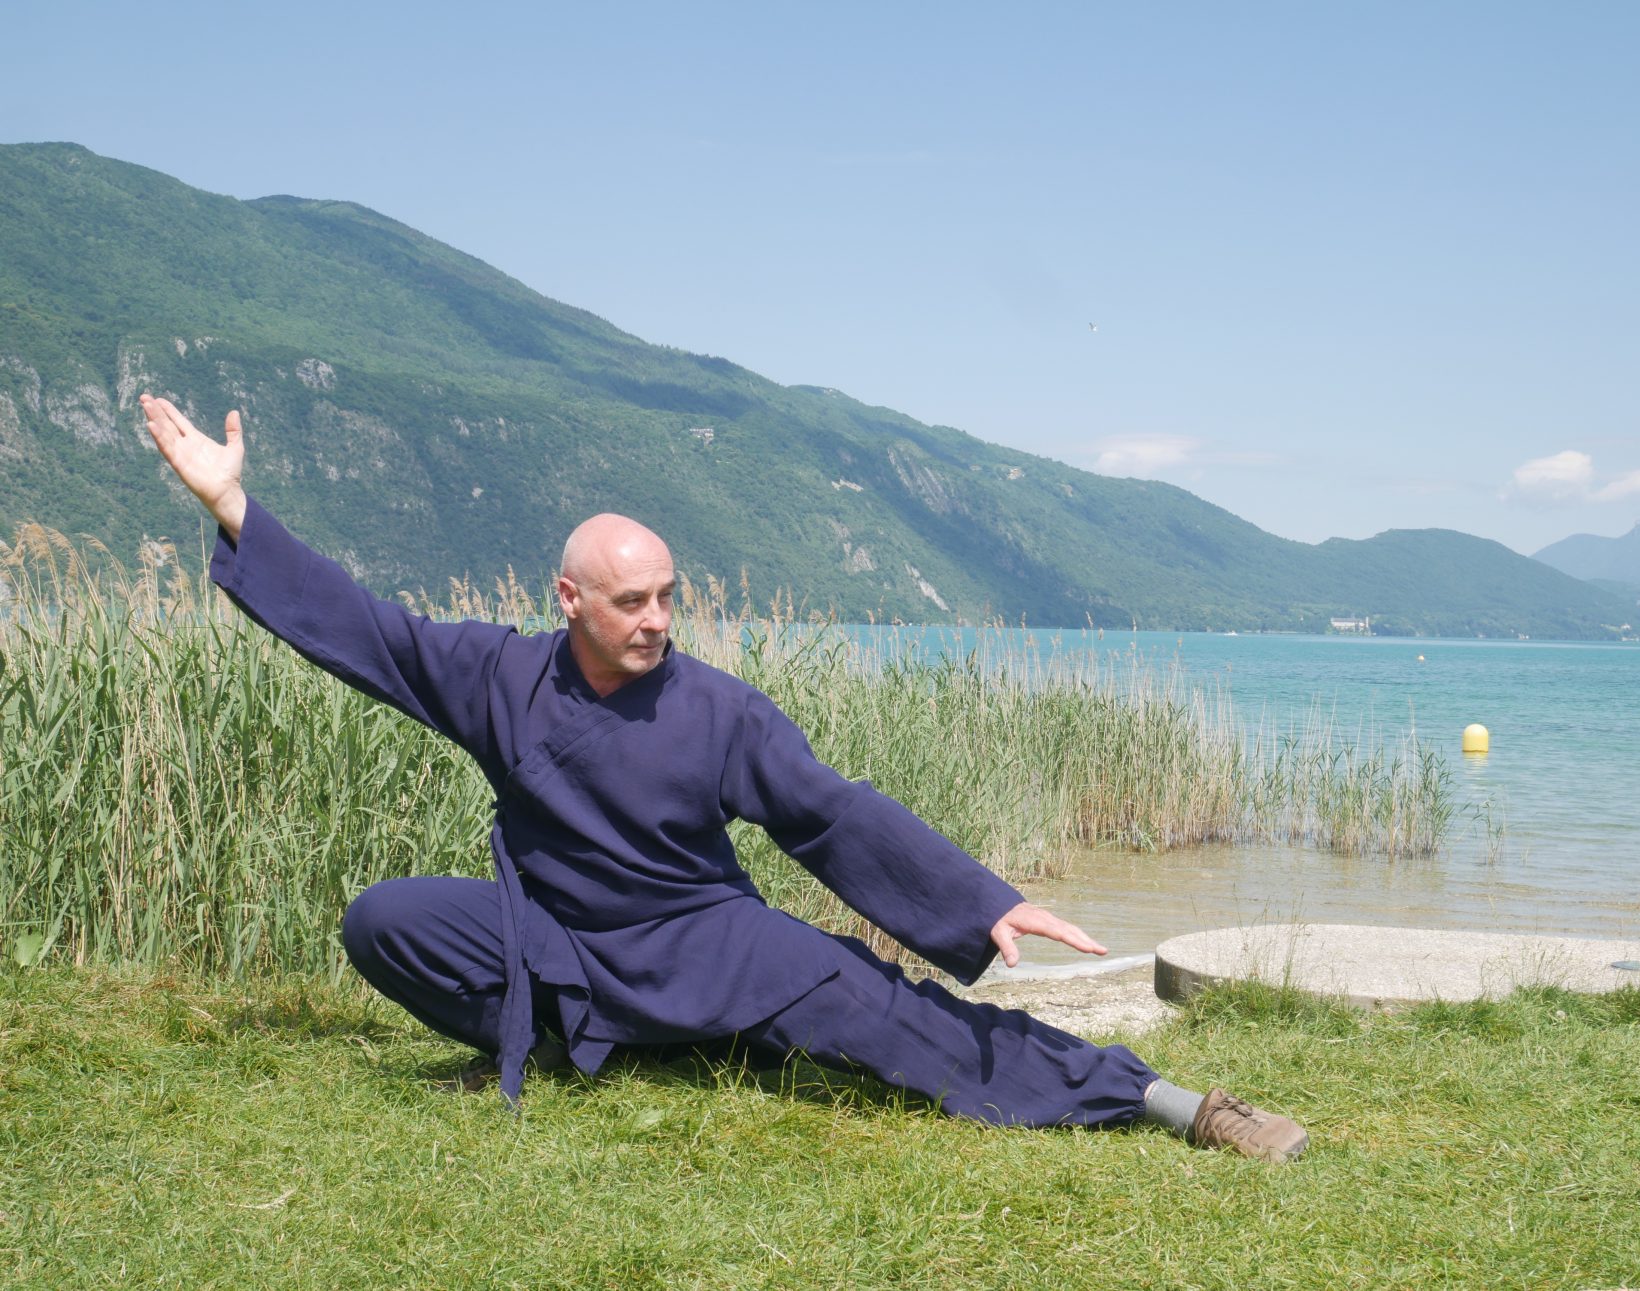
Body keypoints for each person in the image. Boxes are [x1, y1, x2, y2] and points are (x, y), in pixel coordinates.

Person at [140, 394, 1308, 1162]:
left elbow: (828, 813)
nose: (657, 619)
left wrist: (977, 900)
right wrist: (231, 504)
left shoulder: (716, 708)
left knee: (909, 1027)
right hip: (565, 939)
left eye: (667, 596)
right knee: (386, 920)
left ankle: (1166, 1103)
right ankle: (581, 1040)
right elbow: (368, 630)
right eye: (630, 600)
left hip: (712, 941)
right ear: (570, 600)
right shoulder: (495, 674)